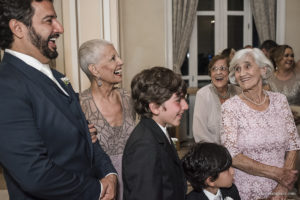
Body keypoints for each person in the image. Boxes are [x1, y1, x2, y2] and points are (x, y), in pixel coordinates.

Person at [0, 0, 117, 199]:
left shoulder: (59, 78)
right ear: (18, 28)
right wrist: (97, 189)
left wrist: (109, 174)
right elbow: (35, 174)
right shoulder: (7, 86)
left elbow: (89, 137)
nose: (60, 28)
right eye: (49, 20)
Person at [221, 48, 300, 199]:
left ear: (263, 70)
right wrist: (279, 174)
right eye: (237, 69)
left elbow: (293, 144)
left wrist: (282, 186)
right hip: (246, 191)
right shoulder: (230, 107)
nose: (242, 73)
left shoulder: (280, 101)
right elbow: (232, 155)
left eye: (247, 66)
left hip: (281, 190)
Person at [79, 39, 136, 200]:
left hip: (134, 180)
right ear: (94, 70)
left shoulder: (129, 98)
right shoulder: (79, 105)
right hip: (102, 187)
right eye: (113, 58)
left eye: (118, 57)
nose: (121, 62)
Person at [123, 66, 188, 200]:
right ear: (155, 107)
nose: (185, 106)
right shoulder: (144, 146)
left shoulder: (158, 130)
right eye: (178, 100)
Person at [193, 55, 240, 144]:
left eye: (223, 68)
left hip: (238, 150)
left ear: (229, 72)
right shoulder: (202, 95)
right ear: (210, 74)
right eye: (214, 69)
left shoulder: (239, 93)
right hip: (212, 152)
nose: (218, 72)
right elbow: (199, 134)